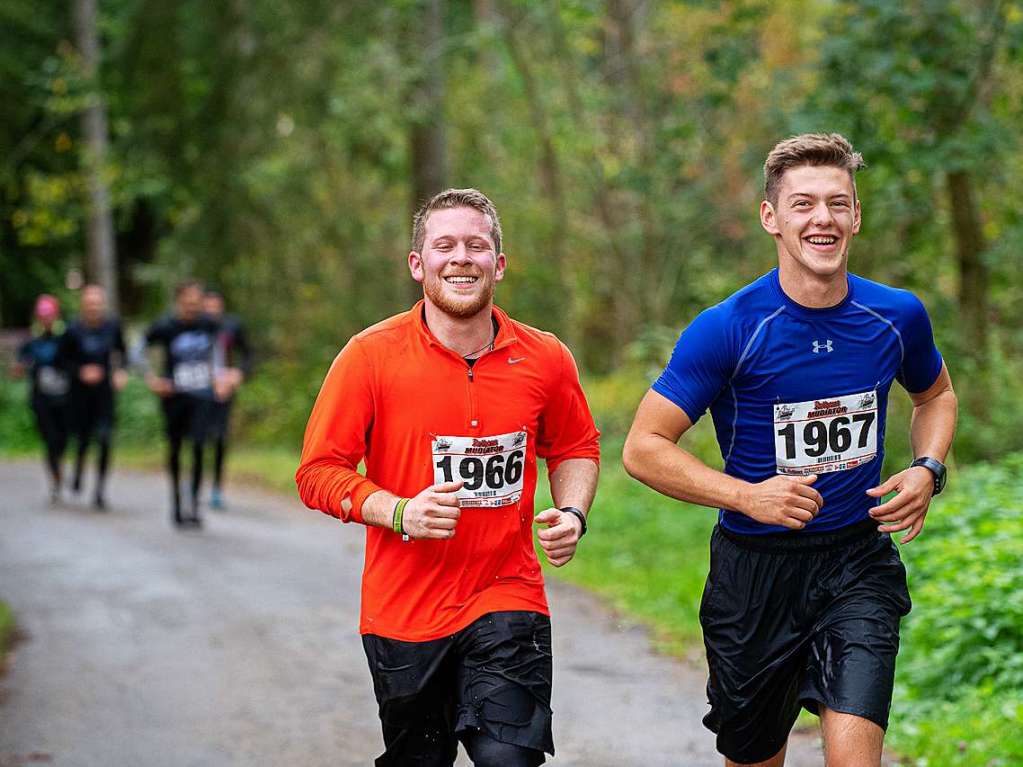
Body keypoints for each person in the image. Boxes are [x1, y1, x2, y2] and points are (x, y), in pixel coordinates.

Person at [622, 133, 957, 767]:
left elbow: (936, 397)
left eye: (837, 203)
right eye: (803, 204)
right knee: (753, 758)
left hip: (856, 563)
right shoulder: (729, 328)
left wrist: (927, 470)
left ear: (856, 216)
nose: (822, 218)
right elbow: (643, 447)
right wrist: (746, 495)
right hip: (754, 577)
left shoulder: (896, 316)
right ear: (771, 218)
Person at [296, 188, 600, 767]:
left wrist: (573, 512)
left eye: (476, 245)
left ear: (499, 264)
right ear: (418, 264)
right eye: (444, 245)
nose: (461, 257)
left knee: (510, 760)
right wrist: (399, 510)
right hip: (403, 610)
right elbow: (317, 472)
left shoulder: (545, 357)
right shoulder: (369, 357)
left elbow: (577, 445)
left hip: (508, 593)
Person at [141, 280, 231, 528]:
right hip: (174, 396)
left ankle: (193, 502)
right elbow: (139, 349)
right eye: (188, 302)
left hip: (201, 394)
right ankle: (176, 503)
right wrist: (152, 378)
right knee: (176, 448)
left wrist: (219, 377)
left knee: (200, 445)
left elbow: (218, 351)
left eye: (196, 302)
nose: (193, 307)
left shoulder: (209, 324)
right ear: (179, 301)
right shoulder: (165, 326)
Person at [61, 284, 128, 510]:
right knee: (82, 438)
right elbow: (61, 360)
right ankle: (78, 469)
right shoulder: (72, 329)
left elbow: (122, 352)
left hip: (104, 393)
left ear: (103, 305)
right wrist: (80, 371)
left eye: (98, 303)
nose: (94, 307)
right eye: (90, 303)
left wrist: (120, 372)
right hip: (79, 395)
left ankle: (100, 490)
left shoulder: (112, 326)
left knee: (105, 438)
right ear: (83, 305)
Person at [14, 294, 71, 502]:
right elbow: (19, 364)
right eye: (43, 315)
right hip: (42, 398)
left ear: (56, 315)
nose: (46, 319)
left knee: (62, 439)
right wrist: (20, 368)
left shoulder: (66, 337)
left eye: (50, 314)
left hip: (65, 397)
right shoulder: (31, 340)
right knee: (50, 439)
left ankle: (59, 468)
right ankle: (55, 480)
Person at [202, 289, 252, 509]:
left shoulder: (232, 326)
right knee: (198, 438)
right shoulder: (195, 326)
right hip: (199, 389)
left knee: (221, 438)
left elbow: (248, 353)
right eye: (208, 305)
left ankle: (216, 487)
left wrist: (237, 374)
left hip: (224, 389)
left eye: (216, 305)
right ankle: (194, 482)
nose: (212, 309)